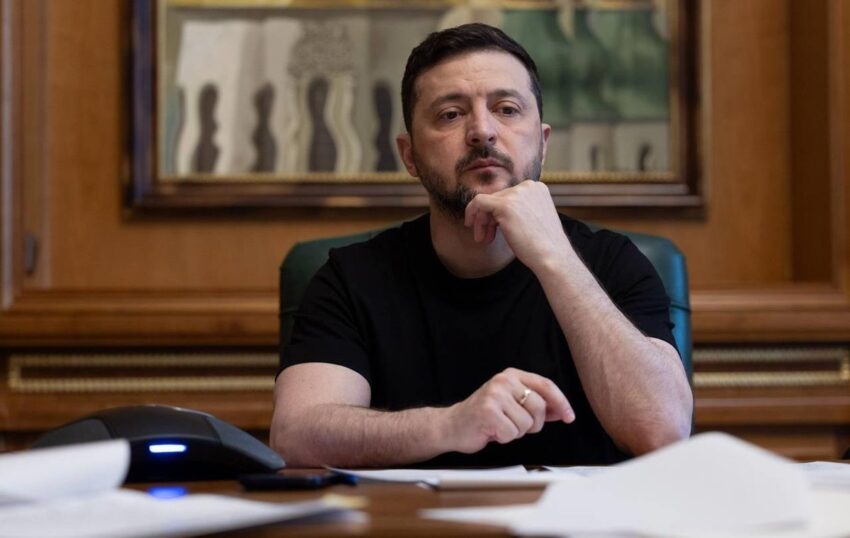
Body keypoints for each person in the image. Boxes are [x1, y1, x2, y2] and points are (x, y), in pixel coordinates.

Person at [271, 23, 692, 467]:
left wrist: (555, 259)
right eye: (451, 115)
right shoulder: (351, 278)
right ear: (410, 155)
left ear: (542, 142)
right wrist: (450, 425)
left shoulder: (614, 262)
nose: (483, 131)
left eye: (507, 109)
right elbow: (296, 436)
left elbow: (663, 432)